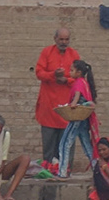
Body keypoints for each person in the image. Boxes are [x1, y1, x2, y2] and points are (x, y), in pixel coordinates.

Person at [33, 27, 80, 175]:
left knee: (67, 142)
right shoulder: (47, 52)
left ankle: (65, 170)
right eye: (61, 39)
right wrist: (53, 75)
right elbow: (39, 73)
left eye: (66, 39)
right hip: (49, 106)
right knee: (49, 143)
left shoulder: (74, 54)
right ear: (55, 39)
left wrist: (66, 80)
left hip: (67, 106)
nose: (64, 42)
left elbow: (79, 78)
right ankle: (48, 170)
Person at [58, 59, 100, 176]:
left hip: (77, 118)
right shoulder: (85, 83)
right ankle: (98, 172)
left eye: (72, 70)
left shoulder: (79, 82)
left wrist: (73, 104)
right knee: (87, 146)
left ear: (79, 72)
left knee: (65, 144)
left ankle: (62, 172)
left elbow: (77, 94)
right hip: (84, 119)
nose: (69, 72)